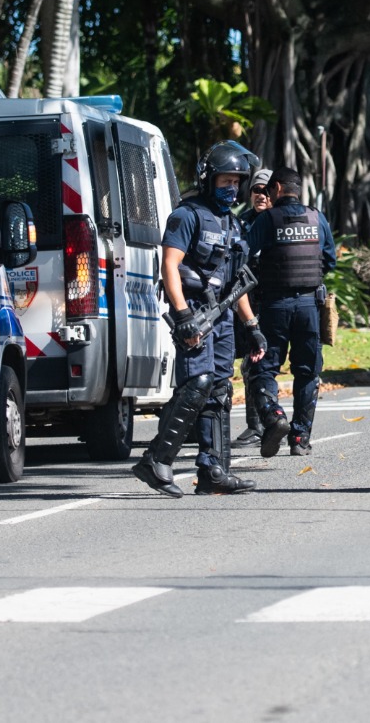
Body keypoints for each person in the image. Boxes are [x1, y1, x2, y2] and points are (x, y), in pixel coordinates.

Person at [132, 141, 267, 497]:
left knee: (220, 390)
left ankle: (214, 472)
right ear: (209, 179)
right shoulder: (187, 215)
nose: (232, 188)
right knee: (198, 383)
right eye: (226, 181)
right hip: (196, 312)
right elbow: (169, 266)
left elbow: (239, 283)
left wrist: (252, 327)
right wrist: (183, 314)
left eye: (238, 182)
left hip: (222, 317)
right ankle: (156, 460)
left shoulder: (233, 224)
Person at [245, 167, 338, 457]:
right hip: (310, 305)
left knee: (264, 366)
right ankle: (300, 438)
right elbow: (330, 260)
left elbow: (244, 256)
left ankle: (274, 416)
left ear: (275, 188)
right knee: (308, 370)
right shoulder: (316, 217)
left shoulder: (267, 219)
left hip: (274, 305)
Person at [232, 169, 275, 447]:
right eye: (257, 190)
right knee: (248, 360)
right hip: (245, 297)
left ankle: (264, 424)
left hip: (273, 299)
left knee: (258, 362)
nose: (261, 195)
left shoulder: (280, 220)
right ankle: (260, 424)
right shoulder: (240, 222)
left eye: (267, 190)